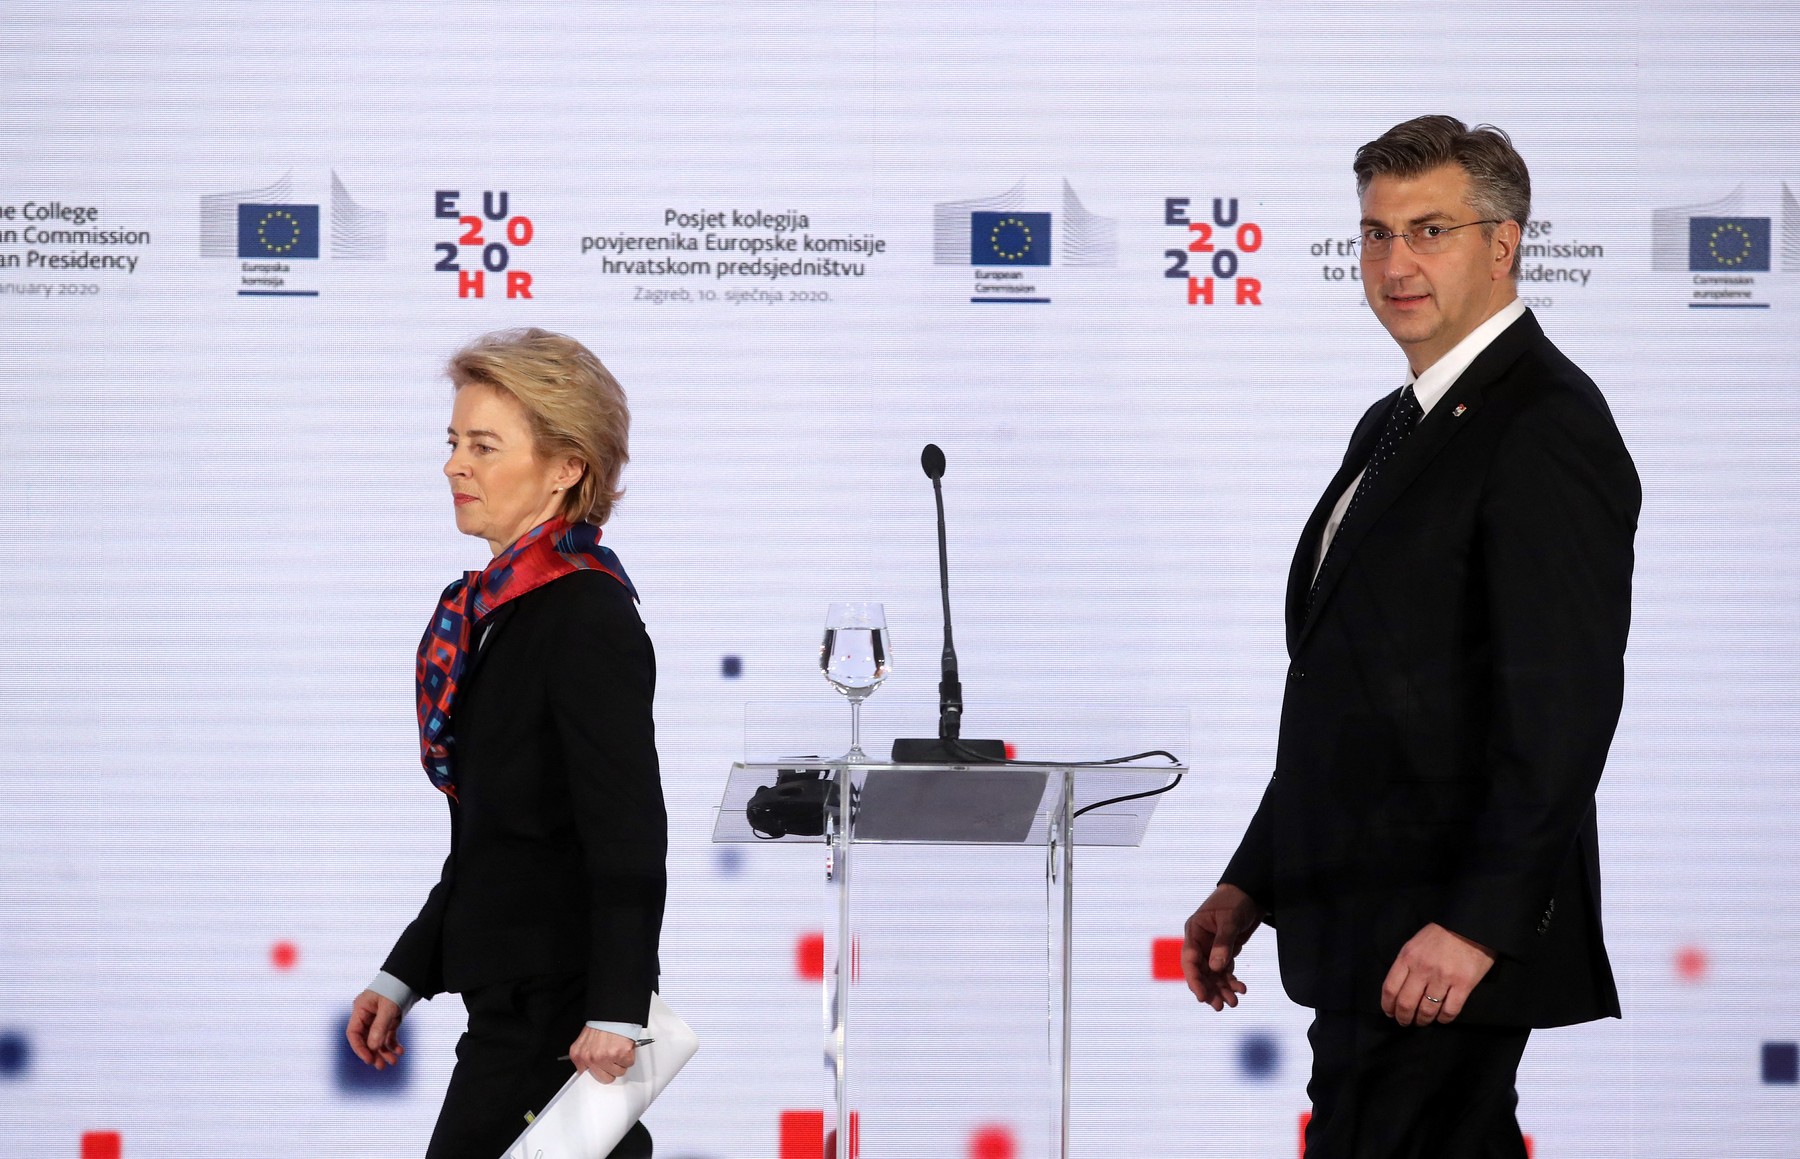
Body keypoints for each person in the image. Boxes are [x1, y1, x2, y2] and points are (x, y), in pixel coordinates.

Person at [1181, 116, 1639, 1157]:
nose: (1395, 263)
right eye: (1376, 234)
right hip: (1362, 927)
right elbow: (1353, 692)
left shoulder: (1546, 424)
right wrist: (1254, 876)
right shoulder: (1394, 424)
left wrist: (1478, 923)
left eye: (1429, 230)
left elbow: (1563, 710)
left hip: (1437, 948)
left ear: (1502, 242)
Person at [344, 328, 666, 1159]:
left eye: (484, 446)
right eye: (454, 442)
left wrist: (618, 1008)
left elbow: (626, 828)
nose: (455, 464)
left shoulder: (585, 614)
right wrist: (403, 972)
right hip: (511, 997)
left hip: (559, 1012)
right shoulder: (498, 615)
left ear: (567, 467)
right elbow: (495, 837)